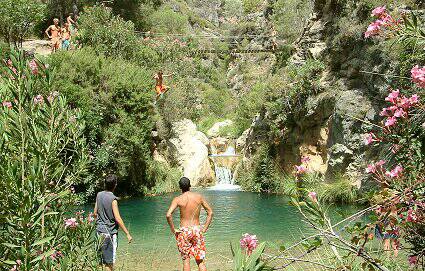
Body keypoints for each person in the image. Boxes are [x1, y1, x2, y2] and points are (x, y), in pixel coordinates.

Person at [166, 177, 214, 271]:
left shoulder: (177, 199)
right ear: (190, 186)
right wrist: (204, 229)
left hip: (184, 231)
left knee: (186, 260)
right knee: (200, 261)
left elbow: (168, 215)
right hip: (197, 230)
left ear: (180, 187)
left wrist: (173, 230)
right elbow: (210, 213)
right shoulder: (198, 197)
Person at [94, 174, 133, 271]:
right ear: (115, 185)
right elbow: (118, 218)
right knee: (109, 263)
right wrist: (127, 233)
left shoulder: (99, 195)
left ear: (105, 184)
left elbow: (95, 213)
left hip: (98, 232)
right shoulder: (113, 200)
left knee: (99, 262)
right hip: (109, 233)